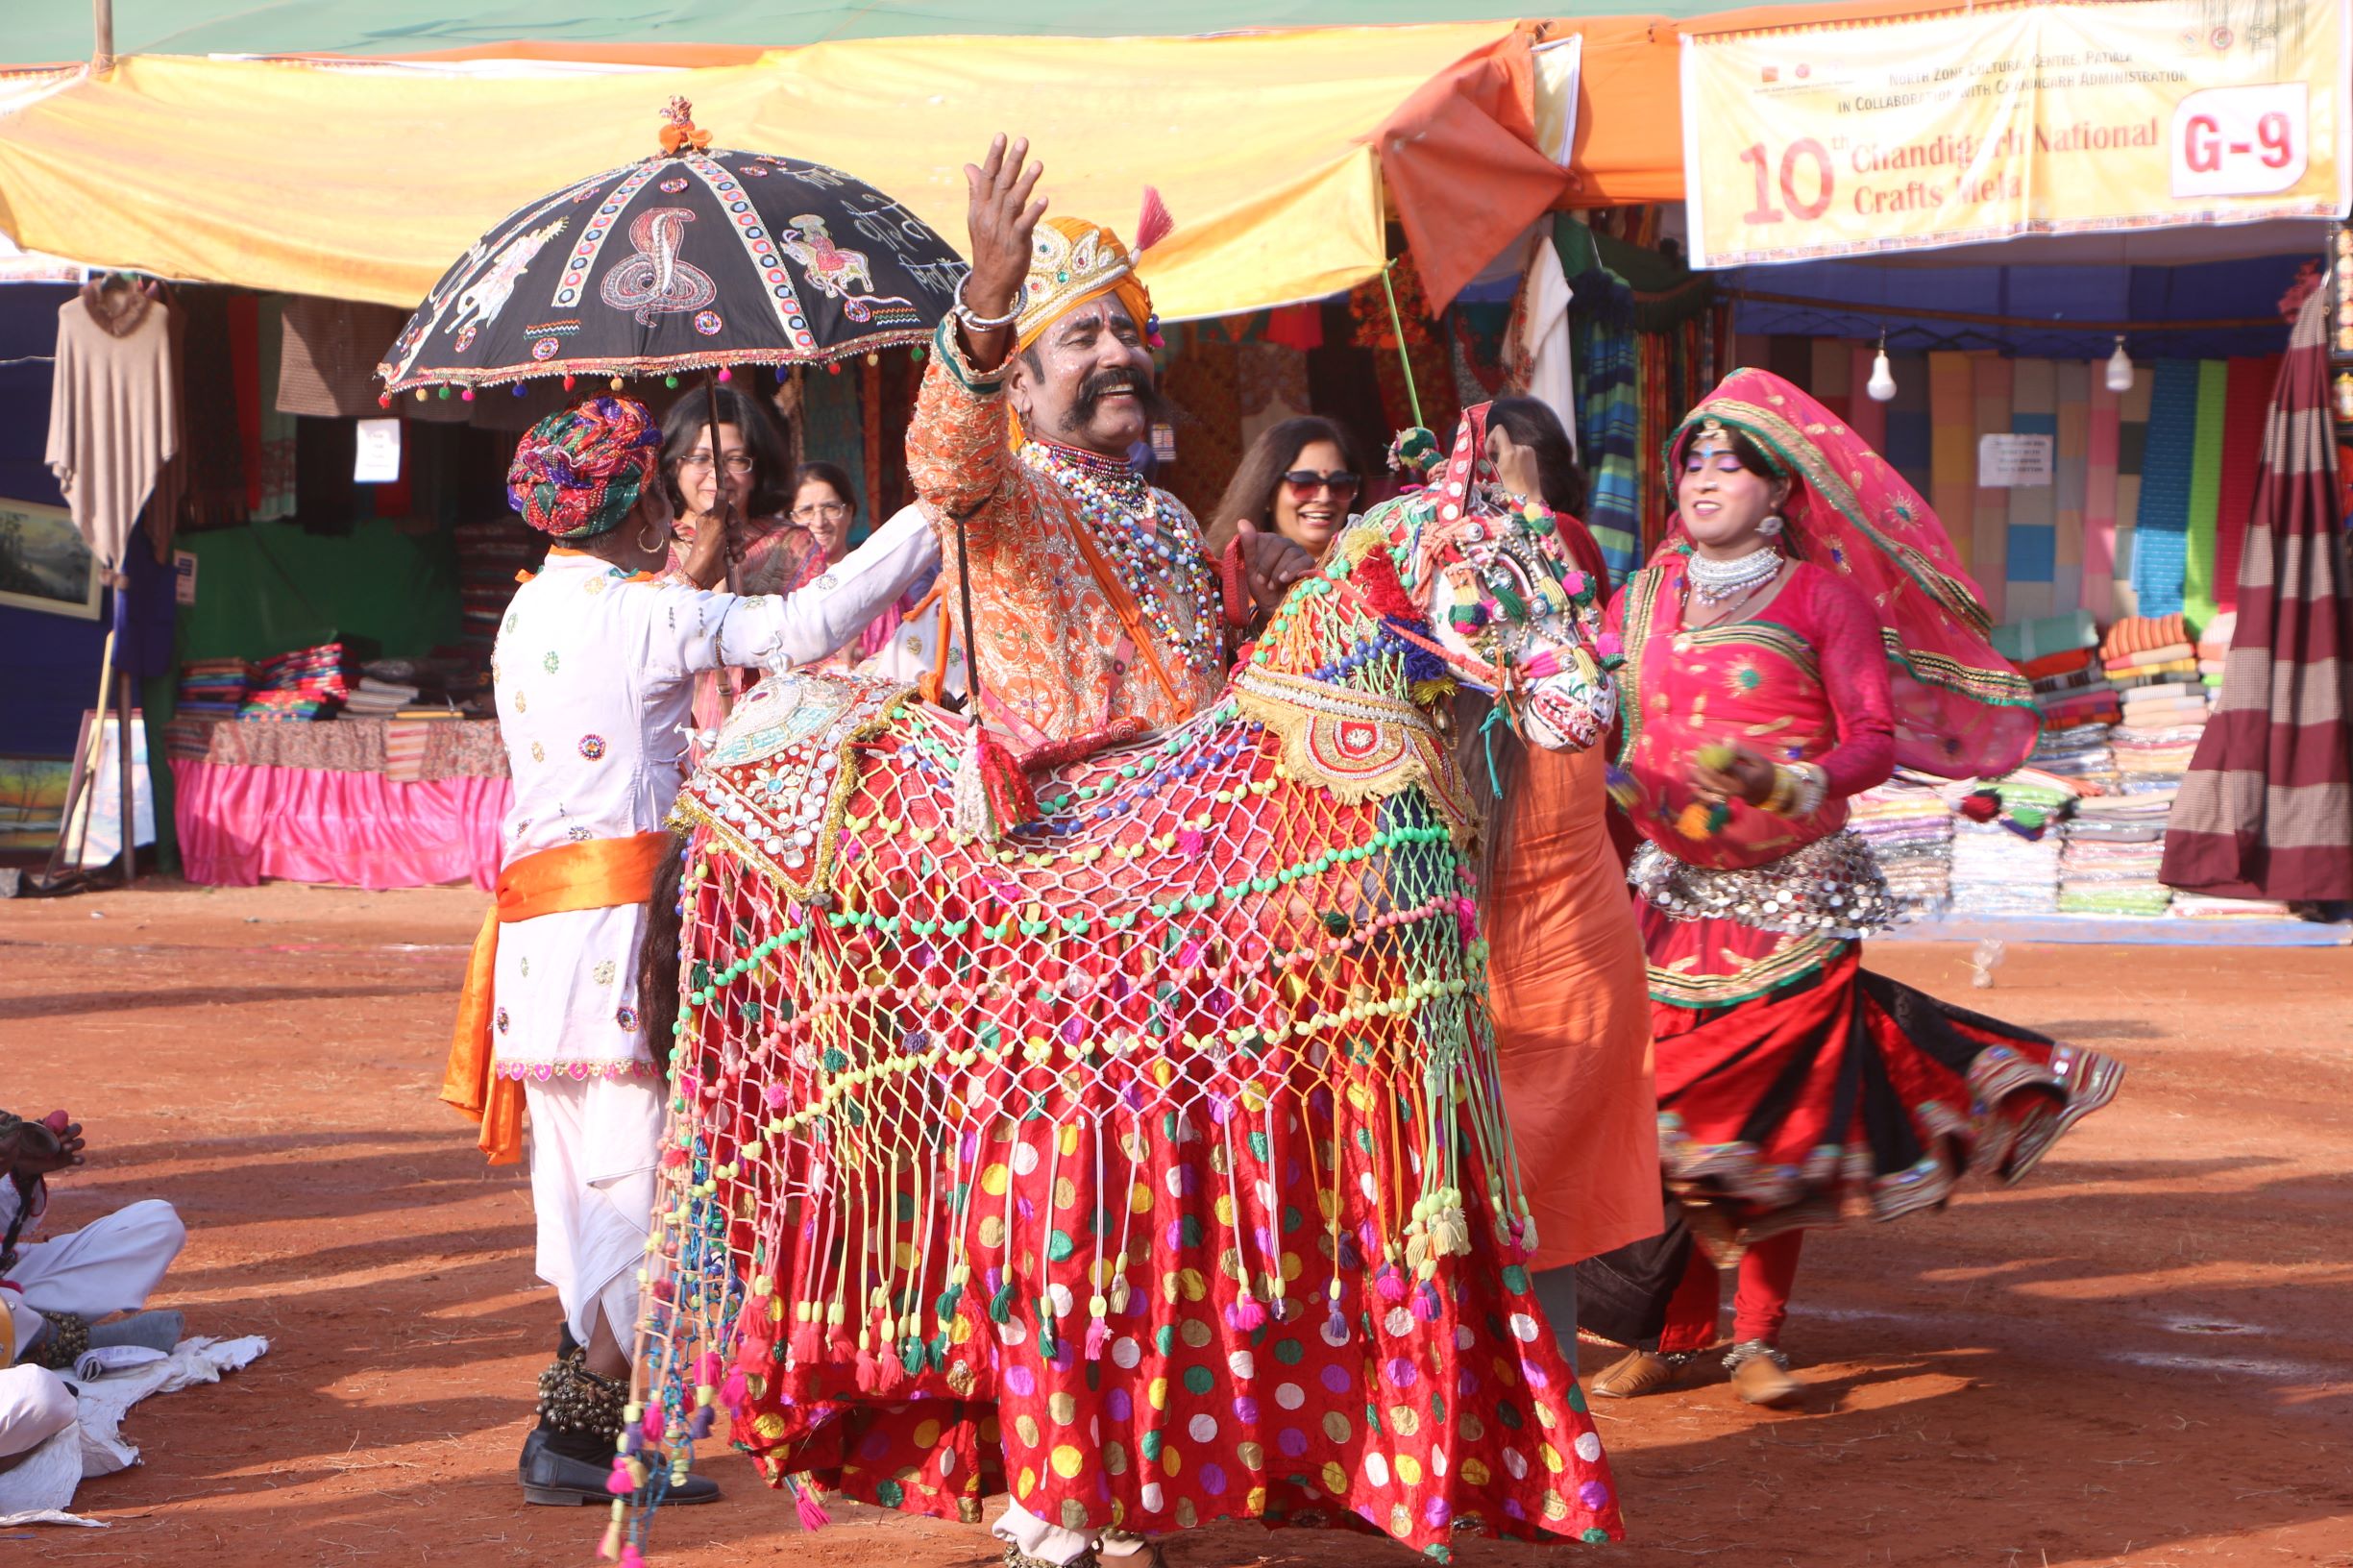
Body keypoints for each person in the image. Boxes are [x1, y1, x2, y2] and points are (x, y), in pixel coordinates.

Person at [1583, 370, 2122, 1408]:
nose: (1705, 478)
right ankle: (1679, 1331)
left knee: (1774, 1107)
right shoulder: (1635, 599)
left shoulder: (1822, 599)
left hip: (1796, 890)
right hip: (1667, 892)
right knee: (1667, 1115)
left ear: (1780, 493)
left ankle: (1755, 1339)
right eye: (1693, 460)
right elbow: (1600, 722)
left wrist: (1796, 780)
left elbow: (1872, 742)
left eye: (1731, 464)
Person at [438, 395, 940, 1507]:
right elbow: (803, 632)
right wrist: (927, 518)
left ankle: (589, 1437)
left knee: (583, 1200)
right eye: (664, 493)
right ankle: (603, 1440)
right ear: (641, 507)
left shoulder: (529, 612)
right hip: (620, 948)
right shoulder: (640, 612)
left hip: (539, 953)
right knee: (644, 1195)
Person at [906, 134, 1312, 755]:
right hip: (1064, 838)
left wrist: (1260, 609)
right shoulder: (1009, 501)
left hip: (1189, 827)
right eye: (1081, 338)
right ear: (1016, 385)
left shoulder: (1169, 516)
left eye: (1126, 331)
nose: (1117, 352)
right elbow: (946, 465)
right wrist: (986, 304)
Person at [1461, 398, 1657, 1355]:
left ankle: (1547, 1412)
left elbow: (1585, 704)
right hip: (1459, 932)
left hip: (1568, 924)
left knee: (1549, 1185)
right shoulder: (1417, 615)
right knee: (1458, 1185)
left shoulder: (1562, 569)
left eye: (1506, 459)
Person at [660, 387, 815, 735]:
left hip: (772, 728)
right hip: (678, 733)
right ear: (673, 466)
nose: (718, 476)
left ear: (758, 468)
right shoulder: (653, 546)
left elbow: (814, 638)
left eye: (735, 460)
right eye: (700, 459)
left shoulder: (792, 545)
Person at [0, 1108, 186, 1373]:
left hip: (11, 1283)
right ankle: (63, 1341)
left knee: (157, 1222)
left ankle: (21, 1331)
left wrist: (21, 1172)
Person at [1206, 416, 1362, 561]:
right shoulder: (1226, 581)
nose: (1325, 497)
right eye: (1304, 482)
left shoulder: (1375, 569)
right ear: (1269, 493)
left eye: (1340, 483)